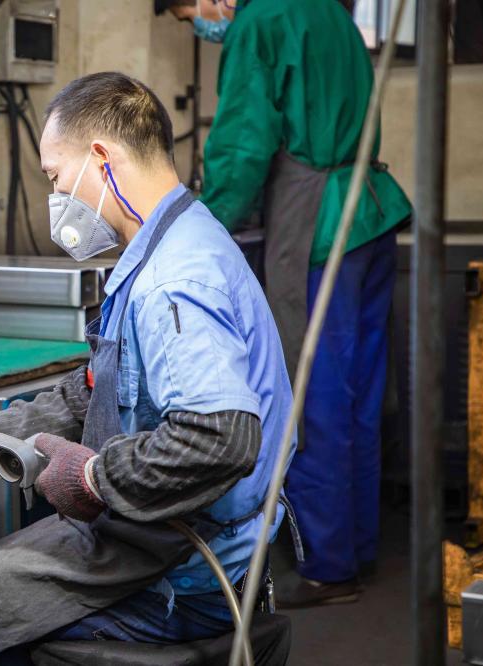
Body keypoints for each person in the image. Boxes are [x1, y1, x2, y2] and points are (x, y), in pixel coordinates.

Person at [0, 71, 294, 665]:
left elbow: (221, 439)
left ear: (101, 158)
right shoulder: (174, 239)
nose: (56, 199)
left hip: (180, 569)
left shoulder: (175, 280)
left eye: (55, 177)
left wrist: (95, 477)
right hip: (160, 536)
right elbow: (92, 395)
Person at [154, 0, 413, 607]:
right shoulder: (329, 12)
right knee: (358, 398)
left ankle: (327, 565)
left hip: (319, 226)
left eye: (191, 10)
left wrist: (198, 229)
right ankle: (355, 547)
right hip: (370, 214)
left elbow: (244, 143)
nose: (200, 23)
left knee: (311, 392)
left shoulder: (260, 24)